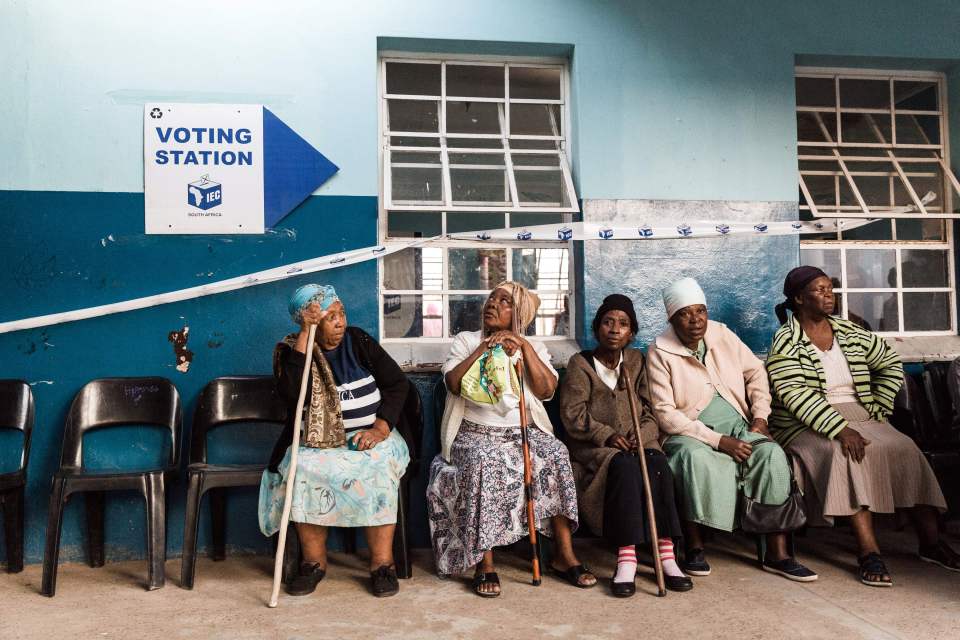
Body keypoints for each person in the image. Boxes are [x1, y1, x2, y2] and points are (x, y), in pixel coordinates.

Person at [767, 266, 957, 586]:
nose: (829, 295)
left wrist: (878, 407)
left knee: (905, 448)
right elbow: (793, 393)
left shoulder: (848, 330)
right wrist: (840, 429)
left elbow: (889, 362)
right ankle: (869, 551)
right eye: (820, 290)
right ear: (799, 298)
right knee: (847, 453)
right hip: (803, 421)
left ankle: (931, 543)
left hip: (859, 412)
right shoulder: (785, 340)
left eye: (830, 289)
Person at [426, 281, 596, 597]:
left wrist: (524, 349)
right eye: (492, 298)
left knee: (556, 453)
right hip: (474, 435)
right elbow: (452, 383)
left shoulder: (534, 347)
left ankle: (564, 554)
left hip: (522, 433)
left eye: (504, 301)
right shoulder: (466, 341)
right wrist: (485, 348)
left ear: (519, 316)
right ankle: (484, 562)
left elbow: (546, 390)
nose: (493, 303)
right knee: (485, 460)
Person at [646, 277, 817, 582]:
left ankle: (777, 553)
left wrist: (761, 417)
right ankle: (695, 547)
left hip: (739, 426)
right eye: (686, 313)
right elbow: (665, 414)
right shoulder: (659, 351)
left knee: (771, 456)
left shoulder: (722, 335)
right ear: (671, 318)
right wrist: (717, 441)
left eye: (701, 311)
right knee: (693, 460)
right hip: (689, 434)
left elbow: (756, 372)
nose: (696, 320)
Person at [259, 285, 412, 598]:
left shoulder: (358, 341)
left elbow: (398, 384)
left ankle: (383, 565)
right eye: (331, 317)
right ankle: (313, 563)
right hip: (316, 443)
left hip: (374, 435)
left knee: (379, 469)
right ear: (312, 323)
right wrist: (306, 332)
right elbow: (291, 394)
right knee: (302, 471)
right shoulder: (293, 352)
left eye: (342, 314)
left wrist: (380, 429)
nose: (341, 322)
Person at [560, 294, 692, 596]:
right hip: (596, 449)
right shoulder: (580, 364)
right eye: (608, 322)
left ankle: (666, 554)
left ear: (631, 333)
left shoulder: (635, 362)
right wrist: (607, 435)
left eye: (623, 324)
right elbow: (573, 415)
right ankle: (627, 558)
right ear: (597, 329)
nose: (615, 329)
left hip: (637, 443)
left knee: (657, 462)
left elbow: (649, 411)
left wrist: (641, 435)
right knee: (624, 466)